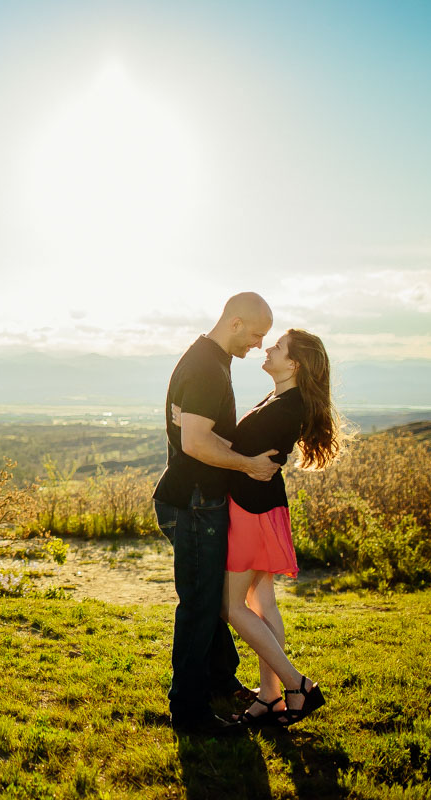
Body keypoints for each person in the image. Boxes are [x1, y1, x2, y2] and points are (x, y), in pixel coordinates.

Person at [153, 292, 281, 737]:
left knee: (209, 599)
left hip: (194, 499)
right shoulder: (207, 367)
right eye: (256, 334)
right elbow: (195, 443)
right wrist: (249, 465)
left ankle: (220, 681)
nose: (259, 345)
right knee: (199, 606)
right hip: (193, 503)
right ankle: (189, 713)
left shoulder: (207, 358)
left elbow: (202, 435)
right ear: (235, 322)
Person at [215, 328, 342, 727]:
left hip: (252, 511)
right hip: (261, 507)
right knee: (261, 602)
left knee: (232, 606)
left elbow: (239, 451)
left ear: (294, 364)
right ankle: (270, 698)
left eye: (278, 346)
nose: (268, 349)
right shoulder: (283, 399)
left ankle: (296, 685)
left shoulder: (287, 407)